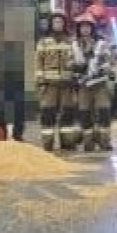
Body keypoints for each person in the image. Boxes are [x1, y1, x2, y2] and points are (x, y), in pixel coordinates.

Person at [72, 7, 117, 152]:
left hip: (100, 85)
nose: (85, 30)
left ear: (93, 28)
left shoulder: (101, 44)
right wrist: (75, 68)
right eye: (82, 27)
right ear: (79, 29)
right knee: (84, 114)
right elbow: (69, 62)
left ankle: (104, 141)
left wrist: (106, 69)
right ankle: (88, 143)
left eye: (88, 27)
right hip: (83, 85)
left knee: (104, 112)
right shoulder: (74, 45)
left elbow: (111, 60)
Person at [34, 11, 77, 151]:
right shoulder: (43, 41)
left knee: (68, 114)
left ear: (65, 24)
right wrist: (40, 81)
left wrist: (75, 78)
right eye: (56, 22)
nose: (58, 24)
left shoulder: (71, 40)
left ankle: (67, 142)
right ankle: (48, 143)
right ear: (51, 24)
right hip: (49, 85)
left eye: (61, 22)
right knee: (48, 114)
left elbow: (77, 60)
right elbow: (38, 62)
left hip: (67, 84)